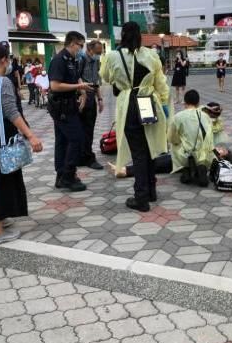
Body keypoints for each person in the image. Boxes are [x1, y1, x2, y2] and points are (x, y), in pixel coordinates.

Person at [100, 21, 169, 212]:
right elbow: (161, 83)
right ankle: (151, 191)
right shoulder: (151, 54)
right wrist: (164, 105)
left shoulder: (113, 56)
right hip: (149, 102)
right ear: (140, 36)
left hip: (129, 105)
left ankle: (141, 198)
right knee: (150, 149)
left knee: (138, 152)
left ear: (122, 35)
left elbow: (105, 77)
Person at [0, 44, 43, 245]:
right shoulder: (3, 82)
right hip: (0, 132)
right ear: (4, 60)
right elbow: (12, 112)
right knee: (5, 178)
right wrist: (31, 136)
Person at [48, 31, 93, 192]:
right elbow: (55, 85)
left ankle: (61, 176)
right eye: (80, 45)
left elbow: (76, 77)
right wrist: (79, 87)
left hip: (69, 105)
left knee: (62, 141)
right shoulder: (59, 60)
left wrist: (82, 92)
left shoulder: (73, 59)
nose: (81, 49)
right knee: (77, 138)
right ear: (72, 43)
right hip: (60, 106)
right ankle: (68, 175)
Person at [168, 90, 213, 186]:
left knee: (174, 144)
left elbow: (172, 138)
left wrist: (177, 142)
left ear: (185, 102)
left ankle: (186, 168)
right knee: (204, 147)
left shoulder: (178, 116)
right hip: (203, 154)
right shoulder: (206, 116)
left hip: (185, 153)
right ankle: (202, 166)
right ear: (198, 102)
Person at [78, 40, 104, 170]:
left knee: (89, 128)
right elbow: (76, 77)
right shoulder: (81, 59)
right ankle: (87, 157)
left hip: (91, 96)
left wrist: (99, 98)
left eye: (100, 52)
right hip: (82, 97)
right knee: (85, 128)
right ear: (89, 49)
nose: (99, 55)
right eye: (97, 52)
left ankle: (84, 155)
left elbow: (96, 81)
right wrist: (82, 94)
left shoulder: (95, 61)